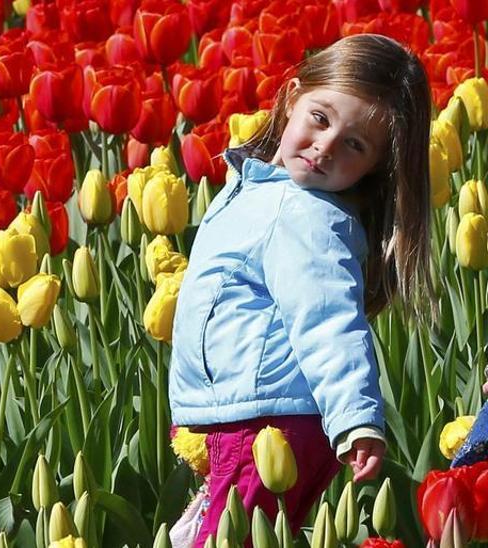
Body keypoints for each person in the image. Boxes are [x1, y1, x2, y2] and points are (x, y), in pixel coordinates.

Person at [168, 33, 433, 547]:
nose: (325, 146)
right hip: (247, 417)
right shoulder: (260, 187)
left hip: (266, 424)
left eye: (353, 144)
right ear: (291, 98)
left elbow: (329, 324)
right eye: (320, 118)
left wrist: (356, 419)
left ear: (374, 165)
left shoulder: (306, 215)